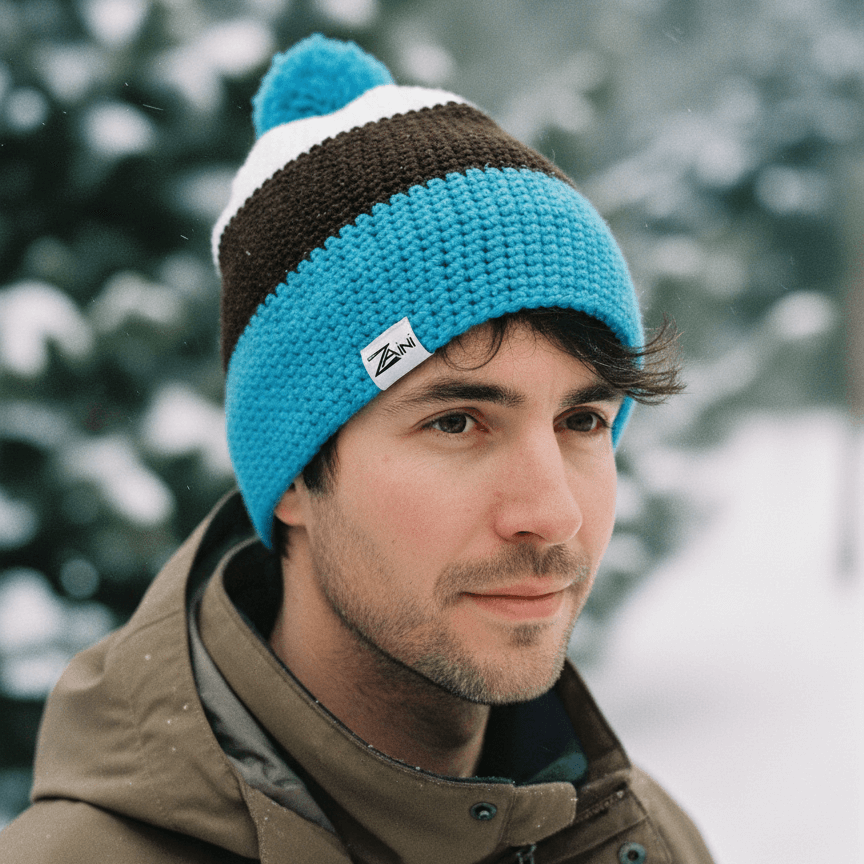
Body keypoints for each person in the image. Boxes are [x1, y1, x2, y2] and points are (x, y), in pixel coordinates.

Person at [0, 35, 715, 864]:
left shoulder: (639, 838)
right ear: (296, 477)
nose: (551, 514)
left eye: (583, 421)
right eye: (457, 422)